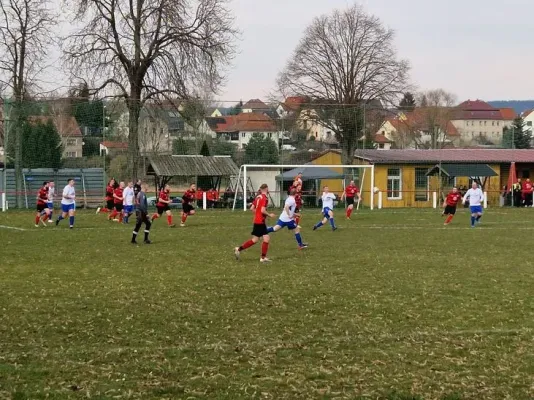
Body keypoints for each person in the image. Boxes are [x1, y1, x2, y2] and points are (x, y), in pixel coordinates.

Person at [234, 184, 275, 262]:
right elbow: (263, 210)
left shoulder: (258, 197)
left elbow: (252, 208)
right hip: (261, 222)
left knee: (255, 240)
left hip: (257, 221)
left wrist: (258, 214)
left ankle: (238, 249)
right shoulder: (265, 198)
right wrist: (269, 215)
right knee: (266, 238)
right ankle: (263, 258)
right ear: (266, 189)